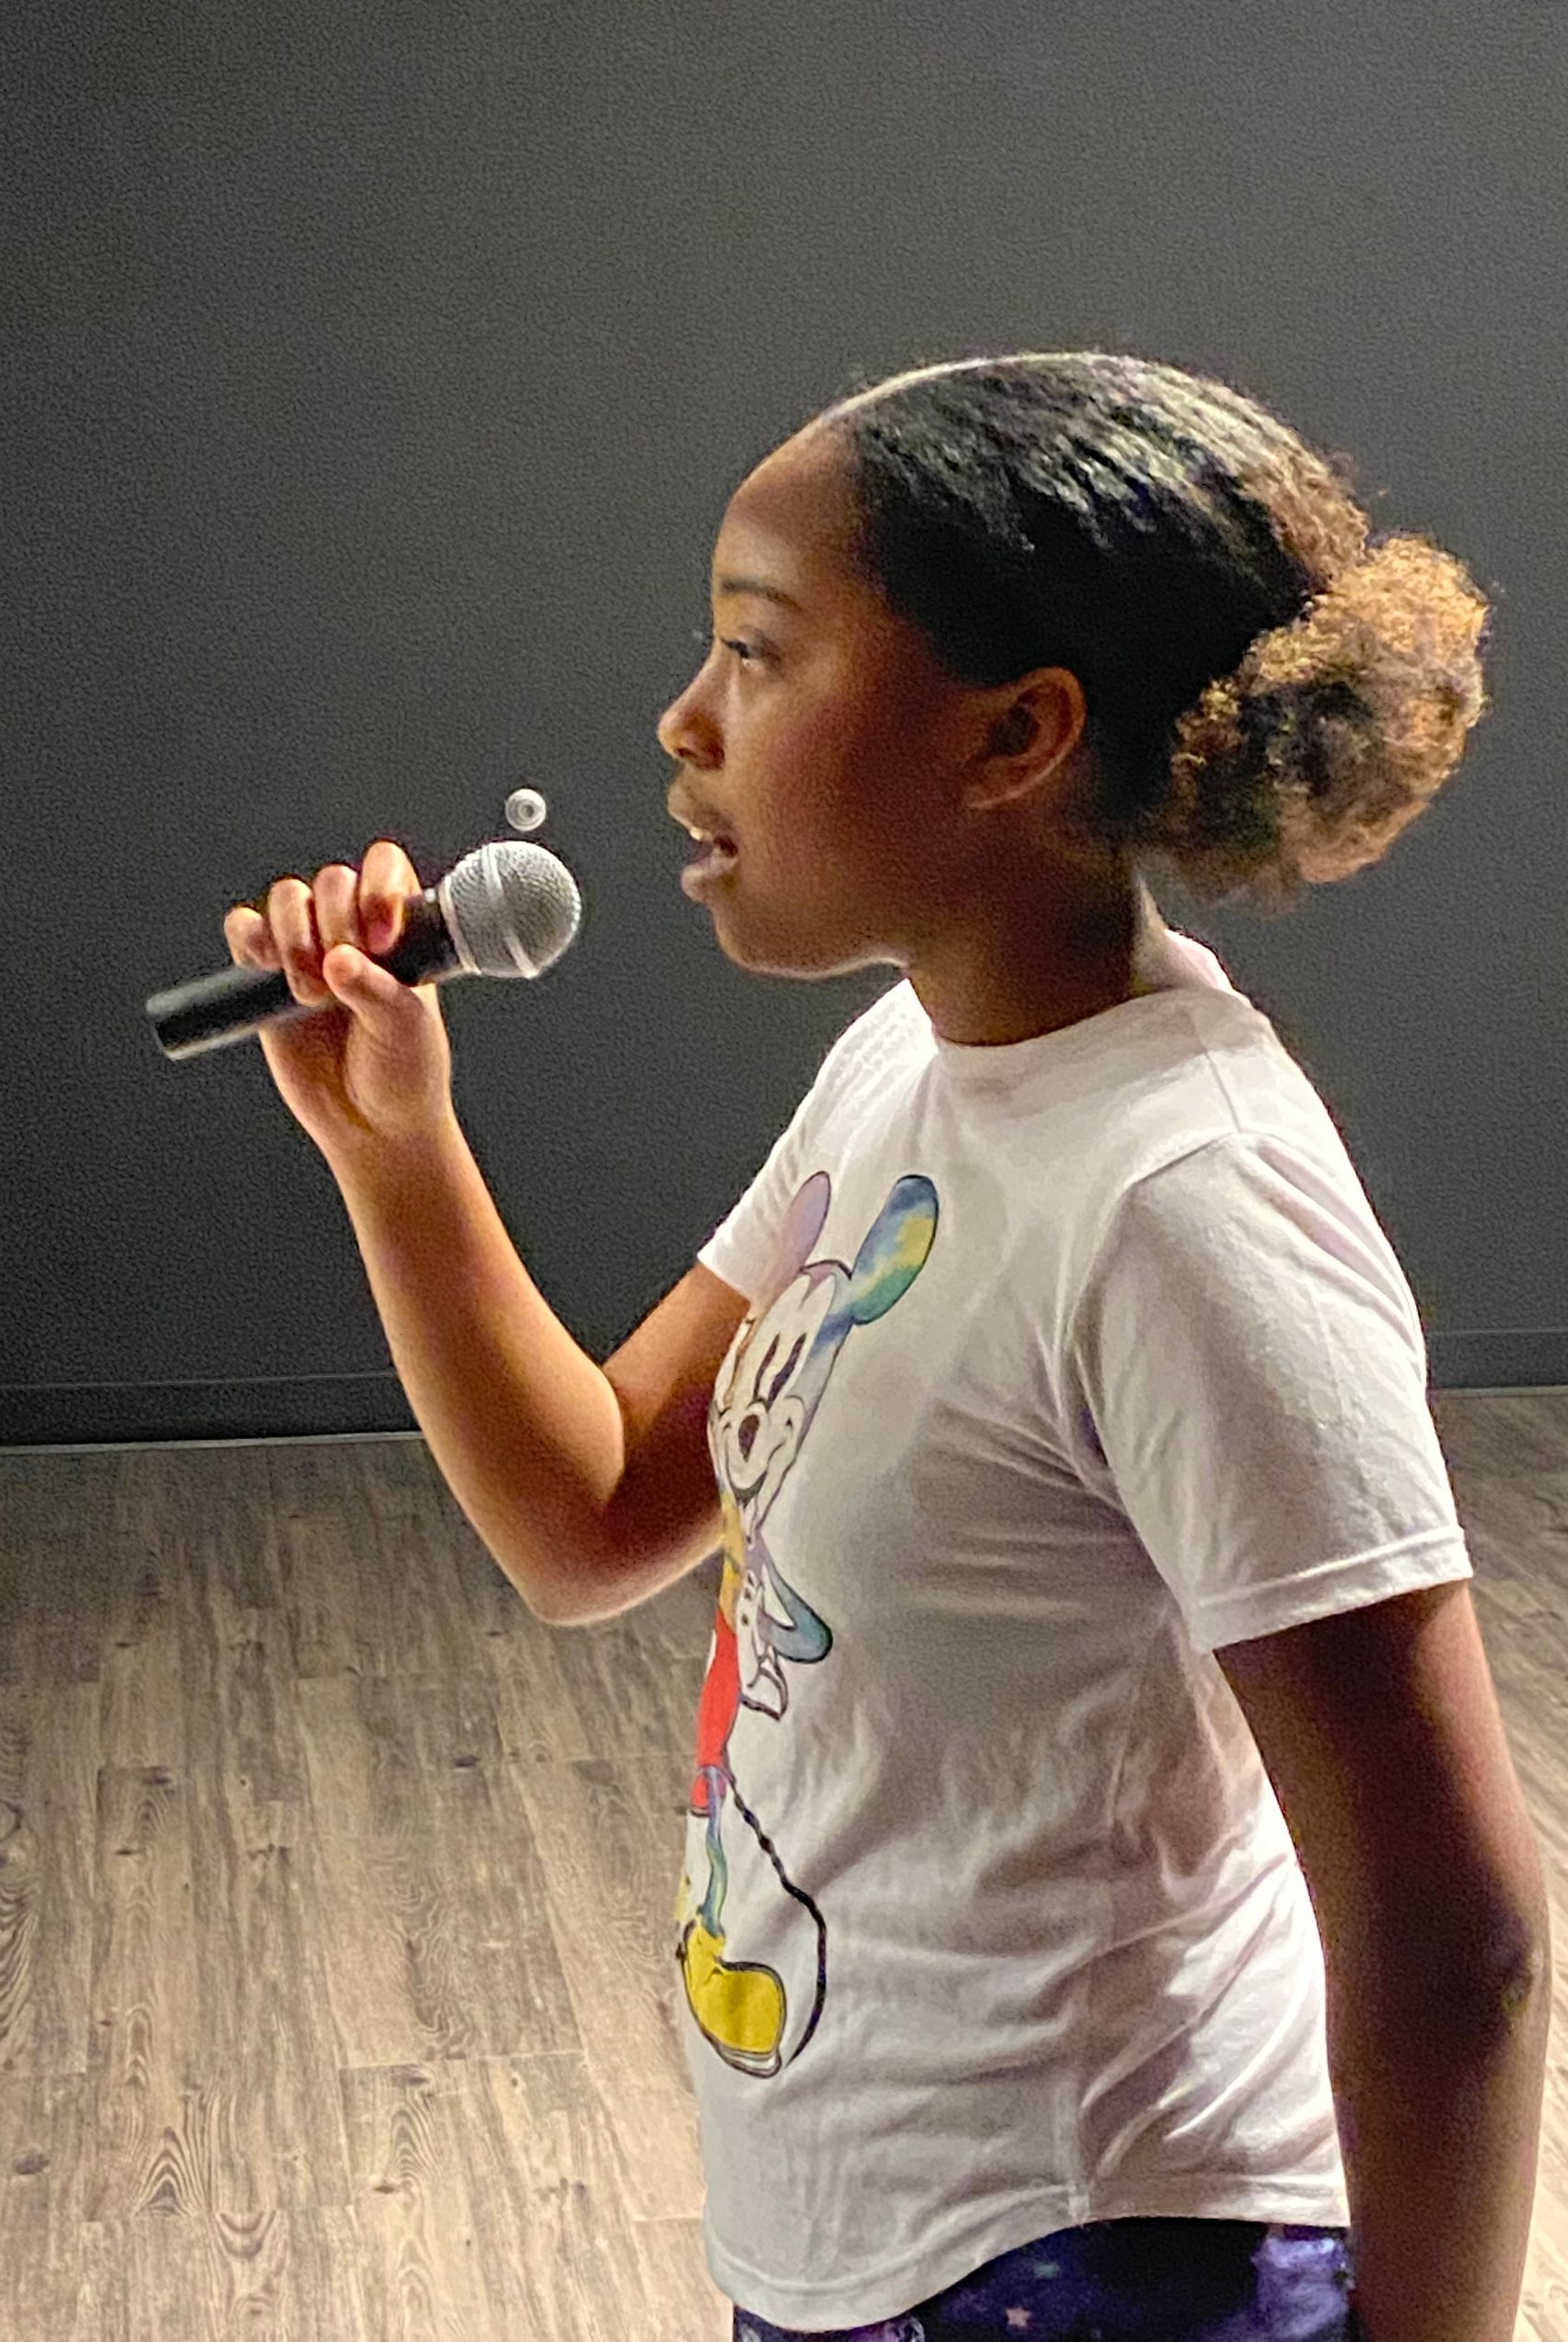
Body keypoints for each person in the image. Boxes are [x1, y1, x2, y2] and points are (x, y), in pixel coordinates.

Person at [223, 349, 1551, 2342]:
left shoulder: (1184, 1192)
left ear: (1015, 733)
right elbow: (592, 1512)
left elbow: (1456, 1934)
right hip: (869, 2242)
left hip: (1112, 2260)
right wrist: (392, 1146)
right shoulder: (904, 1073)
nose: (684, 725)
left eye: (758, 655)